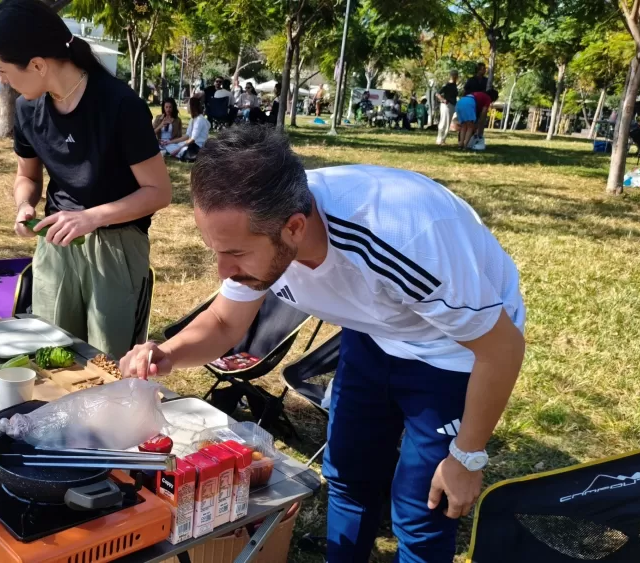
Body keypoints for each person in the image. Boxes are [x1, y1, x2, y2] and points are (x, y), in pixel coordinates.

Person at [120, 126, 525, 563]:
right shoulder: (263, 220)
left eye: (235, 253)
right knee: (348, 473)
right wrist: (169, 352)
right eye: (214, 249)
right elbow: (223, 322)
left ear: (295, 227)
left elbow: (501, 348)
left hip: (454, 349)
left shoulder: (401, 237)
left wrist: (467, 456)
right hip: (375, 332)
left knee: (421, 508)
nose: (223, 270)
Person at [0, 0, 173, 359]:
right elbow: (27, 175)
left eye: (3, 70)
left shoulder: (119, 105)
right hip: (56, 242)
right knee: (50, 353)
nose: (1, 80)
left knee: (107, 362)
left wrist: (90, 217)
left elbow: (158, 192)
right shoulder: (28, 108)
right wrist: (24, 204)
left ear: (38, 65)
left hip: (116, 248)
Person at [436, 70, 459, 145]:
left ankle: (442, 139)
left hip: (452, 105)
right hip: (447, 105)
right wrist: (443, 100)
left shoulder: (455, 85)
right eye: (455, 75)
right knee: (443, 122)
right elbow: (437, 94)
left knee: (447, 123)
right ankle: (440, 139)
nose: (456, 77)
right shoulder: (448, 85)